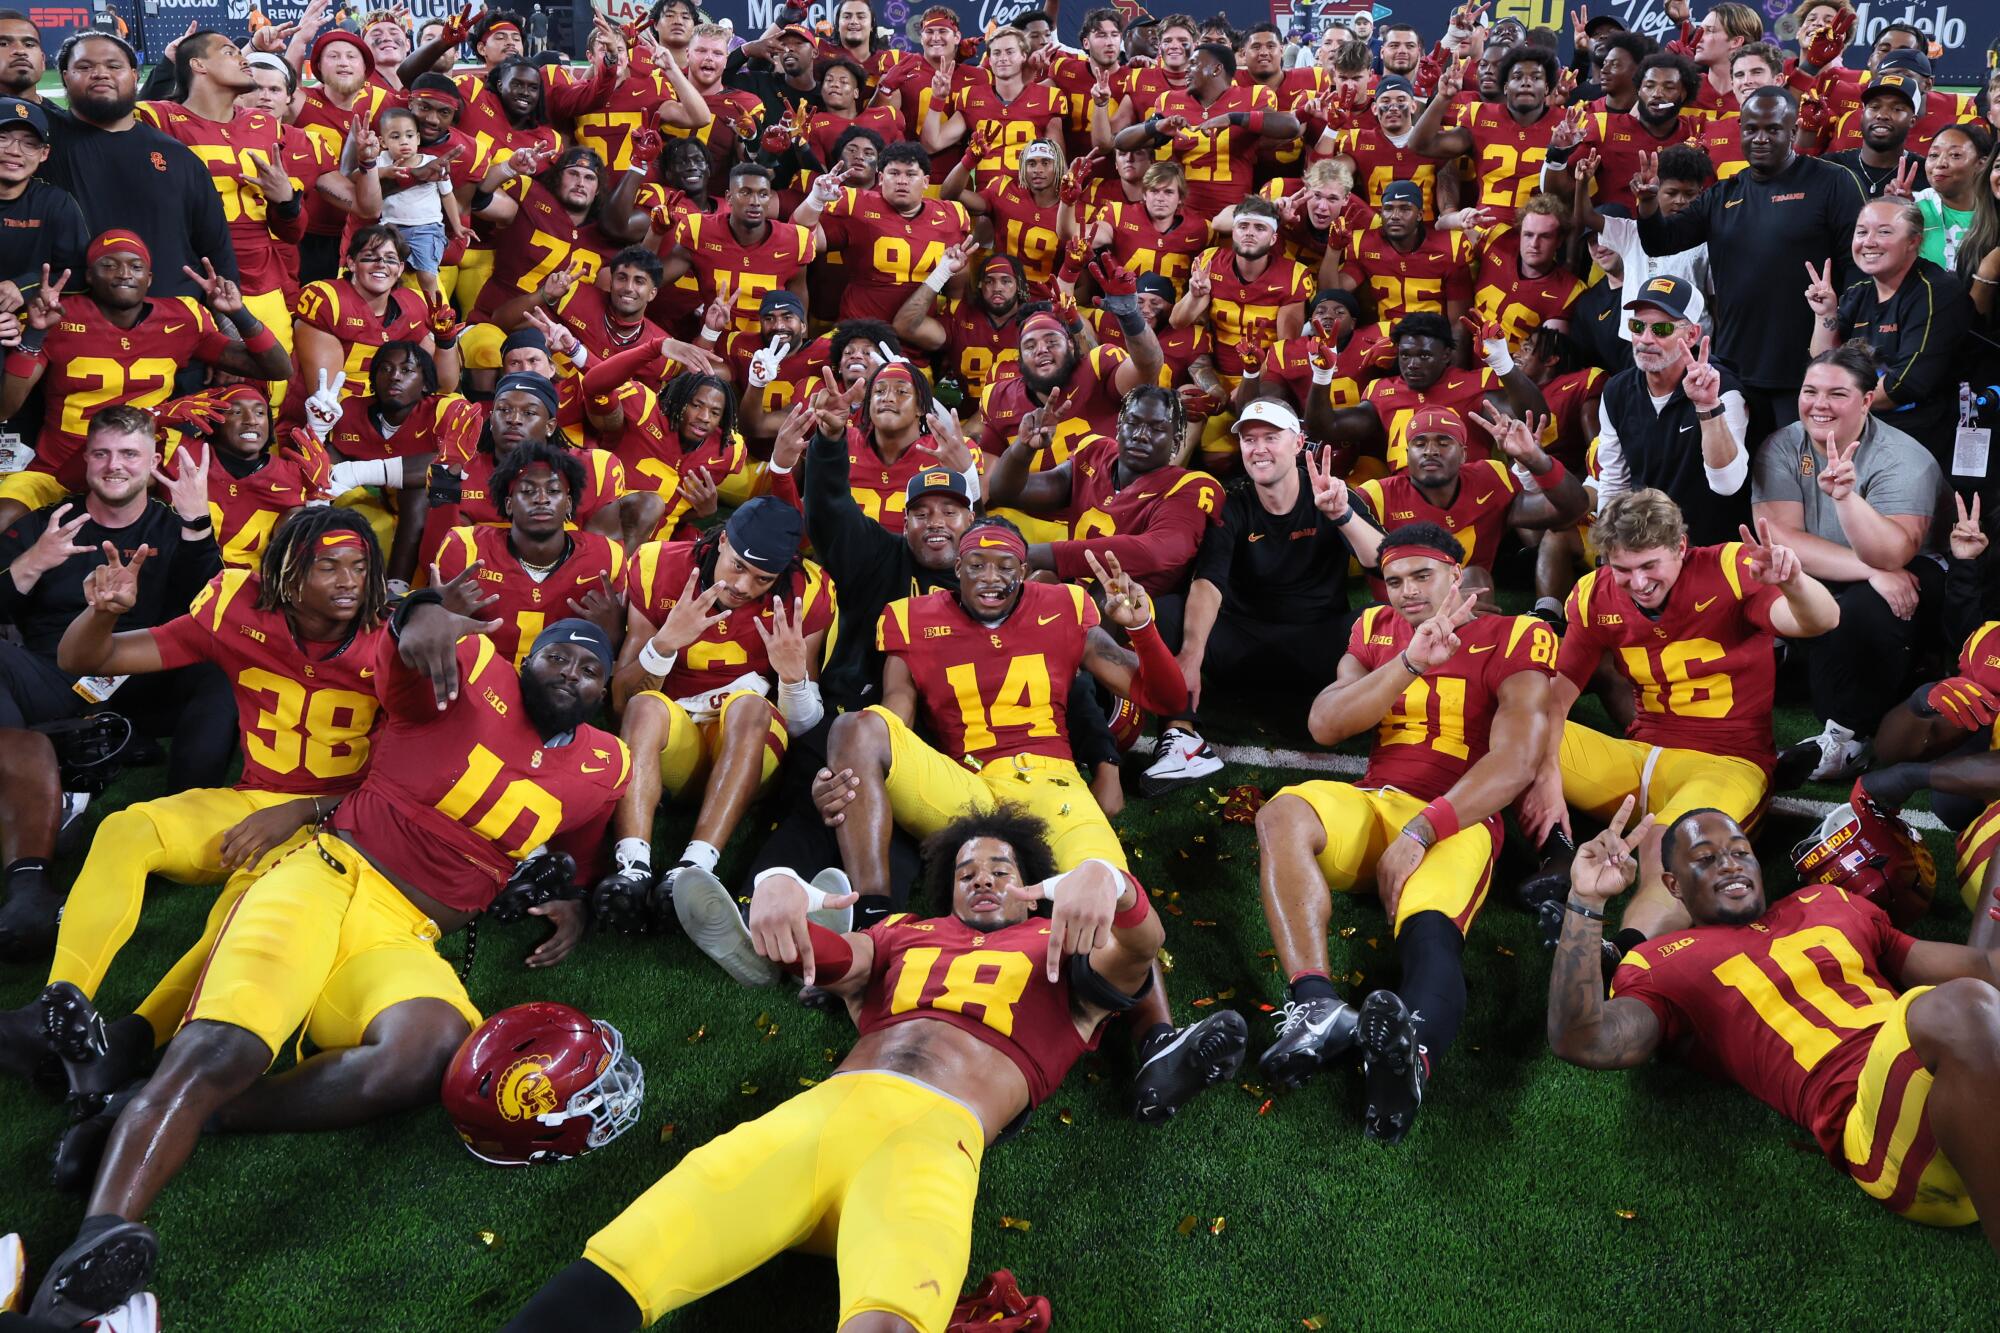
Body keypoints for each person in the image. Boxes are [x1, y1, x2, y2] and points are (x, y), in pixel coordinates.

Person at [27, 595, 628, 1324]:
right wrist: (421, 617)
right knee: (224, 1046)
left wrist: (577, 895)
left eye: (589, 666)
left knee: (429, 1050)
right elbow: (406, 656)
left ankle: (165, 1113)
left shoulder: (606, 761)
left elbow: (583, 836)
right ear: (525, 655)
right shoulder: (469, 669)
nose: (569, 672)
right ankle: (94, 1248)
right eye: (556, 655)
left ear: (606, 689)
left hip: (406, 934)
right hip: (327, 870)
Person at [500, 811, 1172, 1333]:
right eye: (967, 870)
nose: (983, 877)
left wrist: (1112, 883)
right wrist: (779, 895)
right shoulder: (905, 932)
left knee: (887, 1320)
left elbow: (1141, 949)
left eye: (1002, 867)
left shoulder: (1066, 947)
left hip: (932, 1144)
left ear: (1036, 890)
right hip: (814, 1121)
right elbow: (829, 956)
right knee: (620, 1266)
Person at [0, 509, 389, 1100]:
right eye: (328, 565)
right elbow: (85, 662)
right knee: (128, 828)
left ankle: (130, 1043)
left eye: (360, 566)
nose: (348, 581)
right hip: (254, 798)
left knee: (233, 925)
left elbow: (407, 786)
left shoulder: (396, 640)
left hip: (342, 827)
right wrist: (102, 612)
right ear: (287, 572)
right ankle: (55, 1011)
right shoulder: (237, 609)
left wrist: (302, 810)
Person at [1549, 802, 2000, 1257]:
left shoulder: (1829, 902)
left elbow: (1982, 966)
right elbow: (1583, 1039)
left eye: (1740, 852)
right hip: (1881, 1132)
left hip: (1968, 1090)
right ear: (1673, 885)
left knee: (1970, 1004)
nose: (1729, 862)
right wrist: (1586, 903)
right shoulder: (1660, 963)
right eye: (1705, 858)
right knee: (1961, 1006)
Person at [1253, 524, 1557, 1142]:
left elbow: (1517, 761)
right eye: (1394, 581)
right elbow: (1325, 724)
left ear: (1456, 574)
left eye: (1423, 576)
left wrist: (1422, 830)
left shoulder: (1518, 634)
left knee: (1430, 934)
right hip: (1375, 803)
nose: (1408, 592)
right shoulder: (1374, 630)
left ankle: (1410, 1058)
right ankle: (1316, 1006)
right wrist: (1411, 661)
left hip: (1458, 816)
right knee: (1280, 812)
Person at [1515, 489, 1839, 949]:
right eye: (1623, 569)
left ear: (1681, 548)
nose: (1638, 582)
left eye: (1650, 566)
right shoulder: (1593, 594)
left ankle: (1624, 953)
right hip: (1640, 753)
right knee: (1512, 732)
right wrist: (1546, 772)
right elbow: (1556, 699)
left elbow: (1821, 620)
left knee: (1666, 846)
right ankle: (1557, 856)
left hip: (1727, 760)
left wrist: (1794, 582)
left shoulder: (1729, 569)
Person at [0, 406, 235, 952]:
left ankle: (183, 817)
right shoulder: (46, 524)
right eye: (102, 452)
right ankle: (33, 863)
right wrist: (32, 562)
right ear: (85, 460)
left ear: (153, 462)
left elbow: (208, 611)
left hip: (141, 678)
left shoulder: (178, 524)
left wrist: (197, 524)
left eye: (129, 454)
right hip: (53, 679)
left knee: (216, 670)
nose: (114, 465)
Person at [594, 499, 832, 926]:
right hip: (674, 740)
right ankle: (633, 866)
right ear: (721, 539)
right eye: (738, 566)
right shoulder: (658, 566)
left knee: (751, 708)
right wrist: (664, 645)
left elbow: (805, 730)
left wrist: (794, 678)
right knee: (646, 706)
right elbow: (620, 705)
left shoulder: (807, 590)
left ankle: (695, 867)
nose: (744, 586)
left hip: (748, 750)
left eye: (763, 579)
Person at [1146, 400, 1378, 793]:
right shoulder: (1232, 502)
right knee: (1163, 612)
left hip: (1318, 647)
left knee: (1383, 620)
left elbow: (1385, 561)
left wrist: (1342, 515)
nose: (1258, 448)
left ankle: (1398, 735)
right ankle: (1182, 737)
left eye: (1271, 437)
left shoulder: (1334, 492)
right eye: (1249, 439)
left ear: (1298, 443)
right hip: (1241, 645)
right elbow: (1209, 582)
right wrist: (1192, 652)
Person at [0, 230, 292, 525]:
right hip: (56, 469)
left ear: (149, 279)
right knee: (5, 516)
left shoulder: (183, 319)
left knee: (174, 515)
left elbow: (278, 369)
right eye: (109, 264)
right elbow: (6, 407)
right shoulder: (58, 315)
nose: (124, 273)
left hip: (140, 471)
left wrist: (239, 314)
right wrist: (35, 333)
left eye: (136, 266)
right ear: (89, 276)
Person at [1752, 341, 1945, 780]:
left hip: (1916, 574)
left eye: (1837, 394)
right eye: (1809, 391)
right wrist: (1872, 572)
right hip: (1863, 569)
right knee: (1756, 572)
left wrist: (1844, 499)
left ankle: (1846, 737)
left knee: (1860, 607)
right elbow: (1778, 536)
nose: (1819, 404)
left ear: (1866, 400)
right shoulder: (1782, 446)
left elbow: (1894, 553)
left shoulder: (1902, 458)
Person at [1635, 86, 1866, 440]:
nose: (1760, 138)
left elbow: (1857, 268)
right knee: (1736, 478)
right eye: (1750, 128)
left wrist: (1843, 340)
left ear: (1792, 132)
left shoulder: (1832, 182)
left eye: (1772, 129)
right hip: (1735, 368)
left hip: (1807, 369)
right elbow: (1660, 242)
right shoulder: (1723, 194)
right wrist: (1649, 205)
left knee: (1804, 477)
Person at [38, 31, 237, 303]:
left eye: (113, 66)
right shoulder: (37, 149)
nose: (100, 73)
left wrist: (230, 315)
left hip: (174, 320)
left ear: (134, 75)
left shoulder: (178, 156)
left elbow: (216, 247)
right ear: (64, 77)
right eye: (84, 67)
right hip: (71, 324)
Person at [984, 384, 1223, 596]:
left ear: (1176, 440)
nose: (1140, 436)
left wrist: (1041, 554)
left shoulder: (1193, 486)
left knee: (1110, 589)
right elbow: (1008, 492)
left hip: (1138, 614)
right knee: (1038, 583)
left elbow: (1155, 552)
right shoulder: (1095, 451)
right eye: (1133, 423)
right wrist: (1022, 449)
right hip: (1081, 597)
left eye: (1157, 429)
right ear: (1119, 427)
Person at [430, 440, 623, 667]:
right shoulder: (465, 547)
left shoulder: (606, 556)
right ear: (509, 504)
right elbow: (429, 636)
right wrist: (439, 614)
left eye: (553, 490)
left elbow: (616, 654)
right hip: (480, 683)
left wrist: (617, 635)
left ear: (568, 504)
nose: (541, 499)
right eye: (528, 490)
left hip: (562, 692)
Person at [1805, 197, 1970, 459]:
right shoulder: (1858, 293)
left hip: (1922, 441)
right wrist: (1825, 314)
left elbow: (1904, 386)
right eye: (1861, 232)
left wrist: (1834, 408)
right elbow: (1823, 362)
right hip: (1862, 428)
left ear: (1913, 242)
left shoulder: (1937, 291)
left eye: (1884, 232)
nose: (1868, 241)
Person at [1590, 274, 1750, 545]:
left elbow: (1728, 484)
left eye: (1661, 330)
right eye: (1637, 326)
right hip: (1645, 544)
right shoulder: (1616, 391)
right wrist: (1608, 548)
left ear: (1691, 335)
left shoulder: (1723, 389)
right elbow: (1615, 481)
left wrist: (1707, 406)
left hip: (1713, 546)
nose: (1645, 339)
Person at [792, 141, 970, 323]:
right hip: (859, 331)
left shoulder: (952, 215)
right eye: (894, 173)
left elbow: (958, 285)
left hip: (916, 332)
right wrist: (815, 200)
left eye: (910, 174)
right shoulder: (855, 203)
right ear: (882, 178)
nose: (902, 181)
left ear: (926, 182)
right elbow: (803, 241)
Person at [1409, 45, 1563, 225]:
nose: (1526, 82)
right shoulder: (1480, 116)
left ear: (1546, 88)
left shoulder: (1564, 125)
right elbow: (1419, 145)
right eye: (1517, 77)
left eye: (1535, 77)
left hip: (1541, 233)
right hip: (1486, 230)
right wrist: (1443, 97)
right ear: (1505, 87)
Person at [0, 96, 86, 323]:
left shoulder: (56, 204)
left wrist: (25, 286)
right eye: (2, 138)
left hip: (33, 328)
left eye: (29, 143)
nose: (14, 151)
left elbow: (80, 273)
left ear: (44, 153)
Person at [371, 106, 467, 306]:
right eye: (395, 137)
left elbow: (447, 195)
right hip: (390, 228)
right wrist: (384, 172)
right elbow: (358, 176)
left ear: (418, 138)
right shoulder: (381, 161)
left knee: (428, 276)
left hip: (426, 228)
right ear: (383, 142)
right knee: (386, 273)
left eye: (409, 135)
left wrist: (457, 226)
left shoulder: (432, 162)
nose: (404, 141)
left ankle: (437, 316)